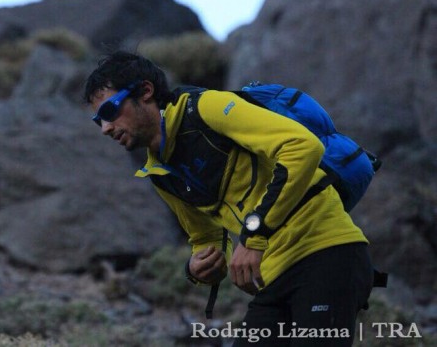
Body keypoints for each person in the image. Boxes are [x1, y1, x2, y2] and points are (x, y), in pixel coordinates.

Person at [83, 50, 374, 346]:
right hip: (274, 278)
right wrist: (199, 267)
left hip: (328, 253)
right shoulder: (159, 171)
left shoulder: (207, 108)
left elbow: (302, 147)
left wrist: (253, 236)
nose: (106, 128)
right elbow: (205, 237)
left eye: (109, 112)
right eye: (98, 121)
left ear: (145, 91)